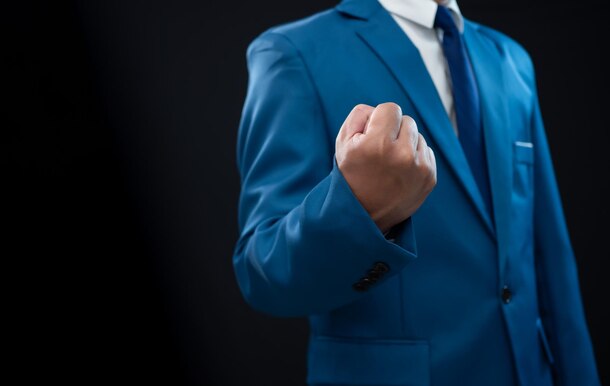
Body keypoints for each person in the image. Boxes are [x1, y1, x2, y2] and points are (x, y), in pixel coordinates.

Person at [232, 0, 600, 384]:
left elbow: (549, 255)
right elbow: (263, 273)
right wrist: (362, 210)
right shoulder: (293, 52)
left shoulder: (510, 59)